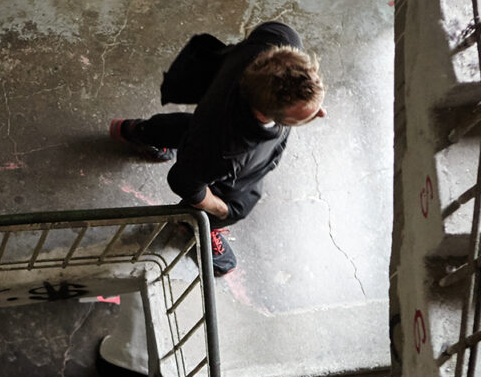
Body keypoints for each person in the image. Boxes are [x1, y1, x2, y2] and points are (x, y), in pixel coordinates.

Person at [108, 22, 325, 275]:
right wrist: (219, 209)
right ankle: (193, 224)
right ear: (265, 113)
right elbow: (182, 181)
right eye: (306, 116)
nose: (322, 113)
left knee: (189, 131)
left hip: (210, 114)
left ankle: (139, 132)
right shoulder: (224, 152)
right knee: (235, 207)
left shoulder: (279, 38)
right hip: (212, 146)